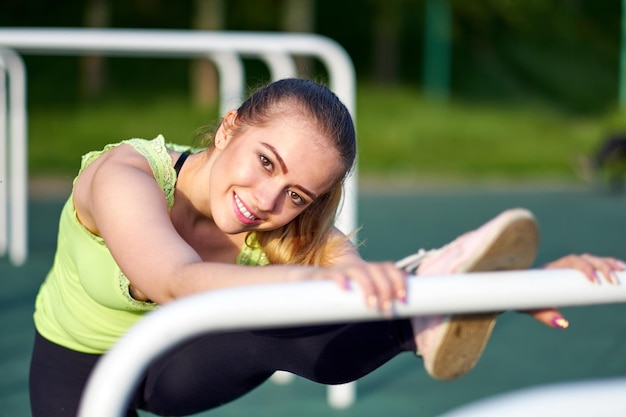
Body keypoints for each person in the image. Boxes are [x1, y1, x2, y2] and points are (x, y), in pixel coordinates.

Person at [29, 78, 625, 417]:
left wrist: (518, 284)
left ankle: (416, 320)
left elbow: (362, 298)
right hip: (75, 363)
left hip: (177, 371)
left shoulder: (289, 227)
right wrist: (312, 282)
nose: (266, 200)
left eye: (296, 193)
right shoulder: (125, 174)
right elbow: (173, 278)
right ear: (230, 125)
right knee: (308, 294)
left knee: (322, 323)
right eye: (265, 162)